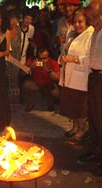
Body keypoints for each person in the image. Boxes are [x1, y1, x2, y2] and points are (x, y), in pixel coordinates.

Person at [58, 8, 94, 144]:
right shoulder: (72, 34)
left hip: (80, 77)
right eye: (75, 22)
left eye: (80, 22)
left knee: (80, 107)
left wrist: (72, 59)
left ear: (87, 22)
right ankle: (74, 128)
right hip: (69, 75)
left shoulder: (90, 35)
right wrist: (61, 59)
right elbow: (65, 51)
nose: (77, 24)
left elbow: (89, 58)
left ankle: (81, 130)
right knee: (71, 106)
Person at [77, 0, 102, 176]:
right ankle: (96, 152)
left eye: (92, 12)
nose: (88, 16)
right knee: (94, 118)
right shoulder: (94, 32)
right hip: (94, 77)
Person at [23, 47, 60, 112]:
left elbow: (57, 78)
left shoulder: (52, 62)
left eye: (44, 58)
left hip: (48, 85)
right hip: (36, 83)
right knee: (27, 85)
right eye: (40, 58)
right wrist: (29, 67)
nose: (42, 61)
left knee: (55, 92)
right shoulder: (33, 60)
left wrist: (49, 71)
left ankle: (50, 104)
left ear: (48, 57)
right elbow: (21, 73)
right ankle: (30, 104)